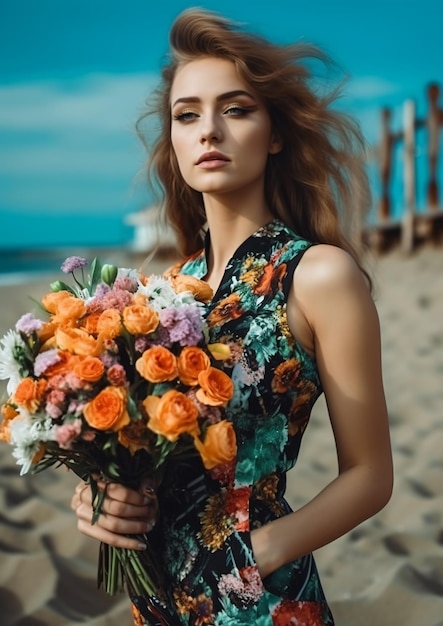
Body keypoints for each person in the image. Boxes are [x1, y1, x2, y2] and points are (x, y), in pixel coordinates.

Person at [71, 8, 393, 626]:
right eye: (187, 115)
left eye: (236, 109)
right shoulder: (162, 296)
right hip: (158, 601)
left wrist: (260, 552)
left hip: (261, 599)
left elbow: (371, 475)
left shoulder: (317, 274)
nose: (209, 131)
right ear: (175, 140)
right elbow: (139, 455)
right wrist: (99, 500)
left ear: (274, 132)